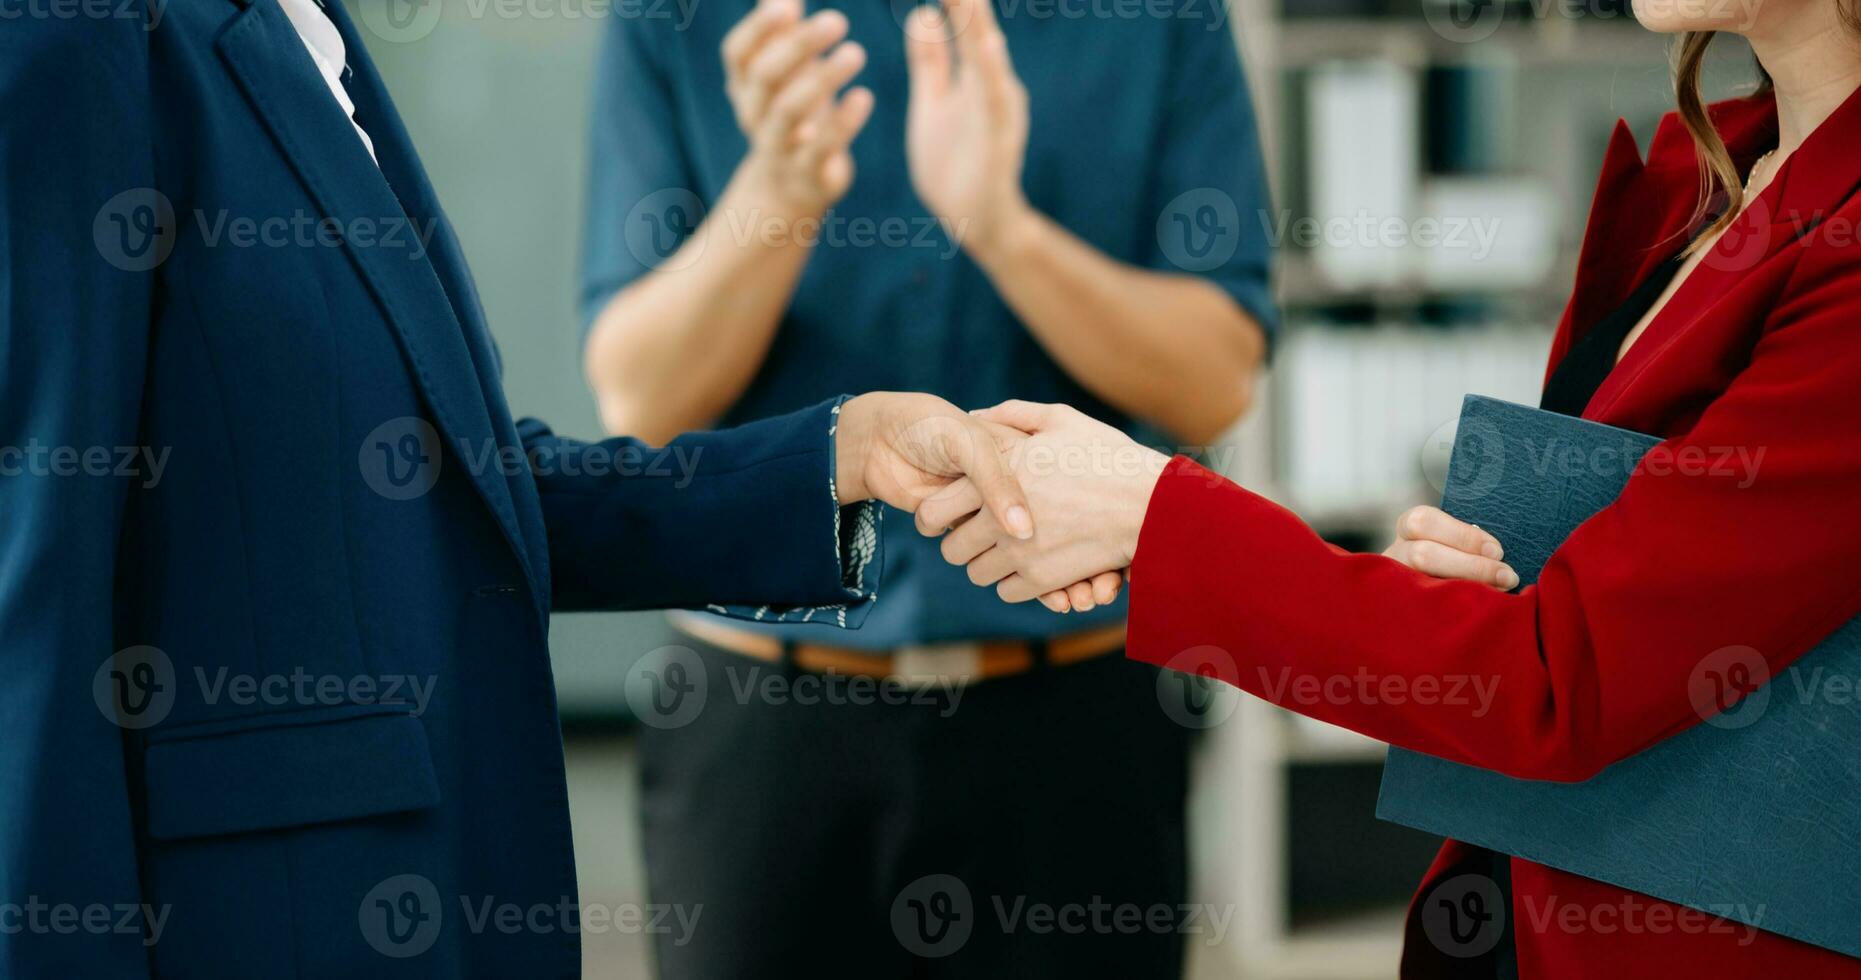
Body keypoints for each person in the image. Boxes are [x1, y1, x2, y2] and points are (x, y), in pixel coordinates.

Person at [0, 6, 1035, 977]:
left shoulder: (304, 32)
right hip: (266, 918)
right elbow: (35, 594)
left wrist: (833, 453)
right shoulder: (72, 32)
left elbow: (447, 479)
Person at [924, 0, 1861, 975]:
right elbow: (1635, 599)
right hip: (1546, 902)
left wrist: (1151, 516)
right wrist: (1471, 589)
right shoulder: (1720, 175)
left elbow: (1561, 677)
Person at [578, 0, 1275, 973]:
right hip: (762, 728)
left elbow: (1216, 383)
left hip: (1076, 726)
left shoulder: (1161, 19)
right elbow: (640, 401)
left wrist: (1001, 228)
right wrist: (777, 191)